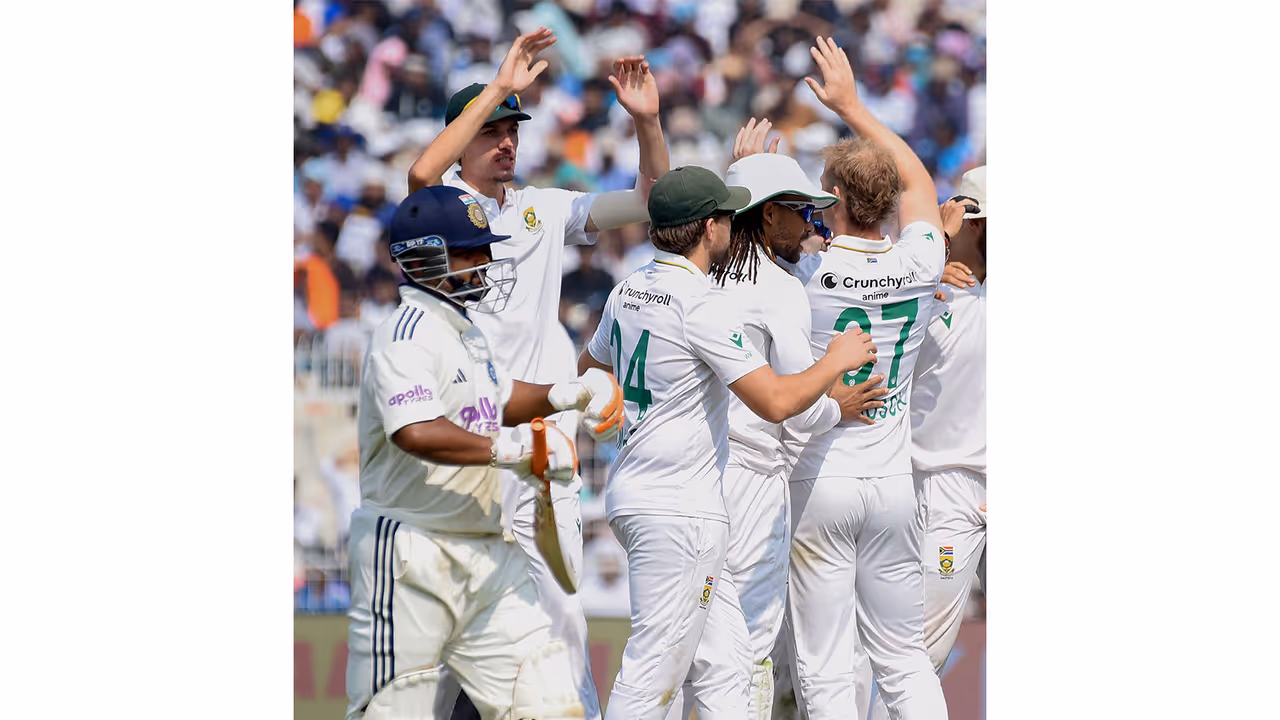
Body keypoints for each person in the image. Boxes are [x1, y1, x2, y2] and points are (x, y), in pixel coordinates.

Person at [404, 26, 668, 720]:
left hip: (543, 444)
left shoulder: (544, 208)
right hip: (466, 441)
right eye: (492, 129)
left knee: (560, 610)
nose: (507, 140)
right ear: (461, 136)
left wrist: (647, 124)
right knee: (452, 622)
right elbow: (418, 179)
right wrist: (497, 86)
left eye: (513, 127)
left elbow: (647, 206)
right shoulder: (442, 206)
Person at [577, 166, 880, 719]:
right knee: (652, 672)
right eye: (723, 214)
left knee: (727, 667)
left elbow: (589, 369)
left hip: (645, 492)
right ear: (709, 227)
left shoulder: (629, 287)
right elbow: (776, 403)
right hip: (681, 507)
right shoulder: (700, 301)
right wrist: (836, 361)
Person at [344, 184, 624, 720]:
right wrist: (512, 450)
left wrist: (568, 392)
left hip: (483, 552)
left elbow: (502, 399)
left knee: (544, 701)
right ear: (427, 257)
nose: (487, 261)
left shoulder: (466, 333)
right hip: (410, 554)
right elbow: (416, 431)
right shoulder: (403, 335)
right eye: (472, 251)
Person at [662, 120, 892, 720]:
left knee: (697, 646)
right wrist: (836, 405)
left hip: (696, 476)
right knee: (751, 649)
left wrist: (742, 177)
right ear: (766, 218)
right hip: (755, 480)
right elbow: (795, 407)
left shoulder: (702, 271)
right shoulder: (780, 288)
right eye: (797, 212)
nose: (810, 224)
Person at [783, 37, 949, 720]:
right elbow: (919, 183)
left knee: (823, 663)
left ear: (831, 199)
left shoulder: (806, 273)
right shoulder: (922, 261)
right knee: (904, 659)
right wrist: (855, 107)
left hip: (819, 475)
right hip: (890, 483)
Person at [866, 165, 988, 720]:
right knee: (915, 656)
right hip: (940, 491)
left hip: (965, 487)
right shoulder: (929, 294)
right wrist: (928, 272)